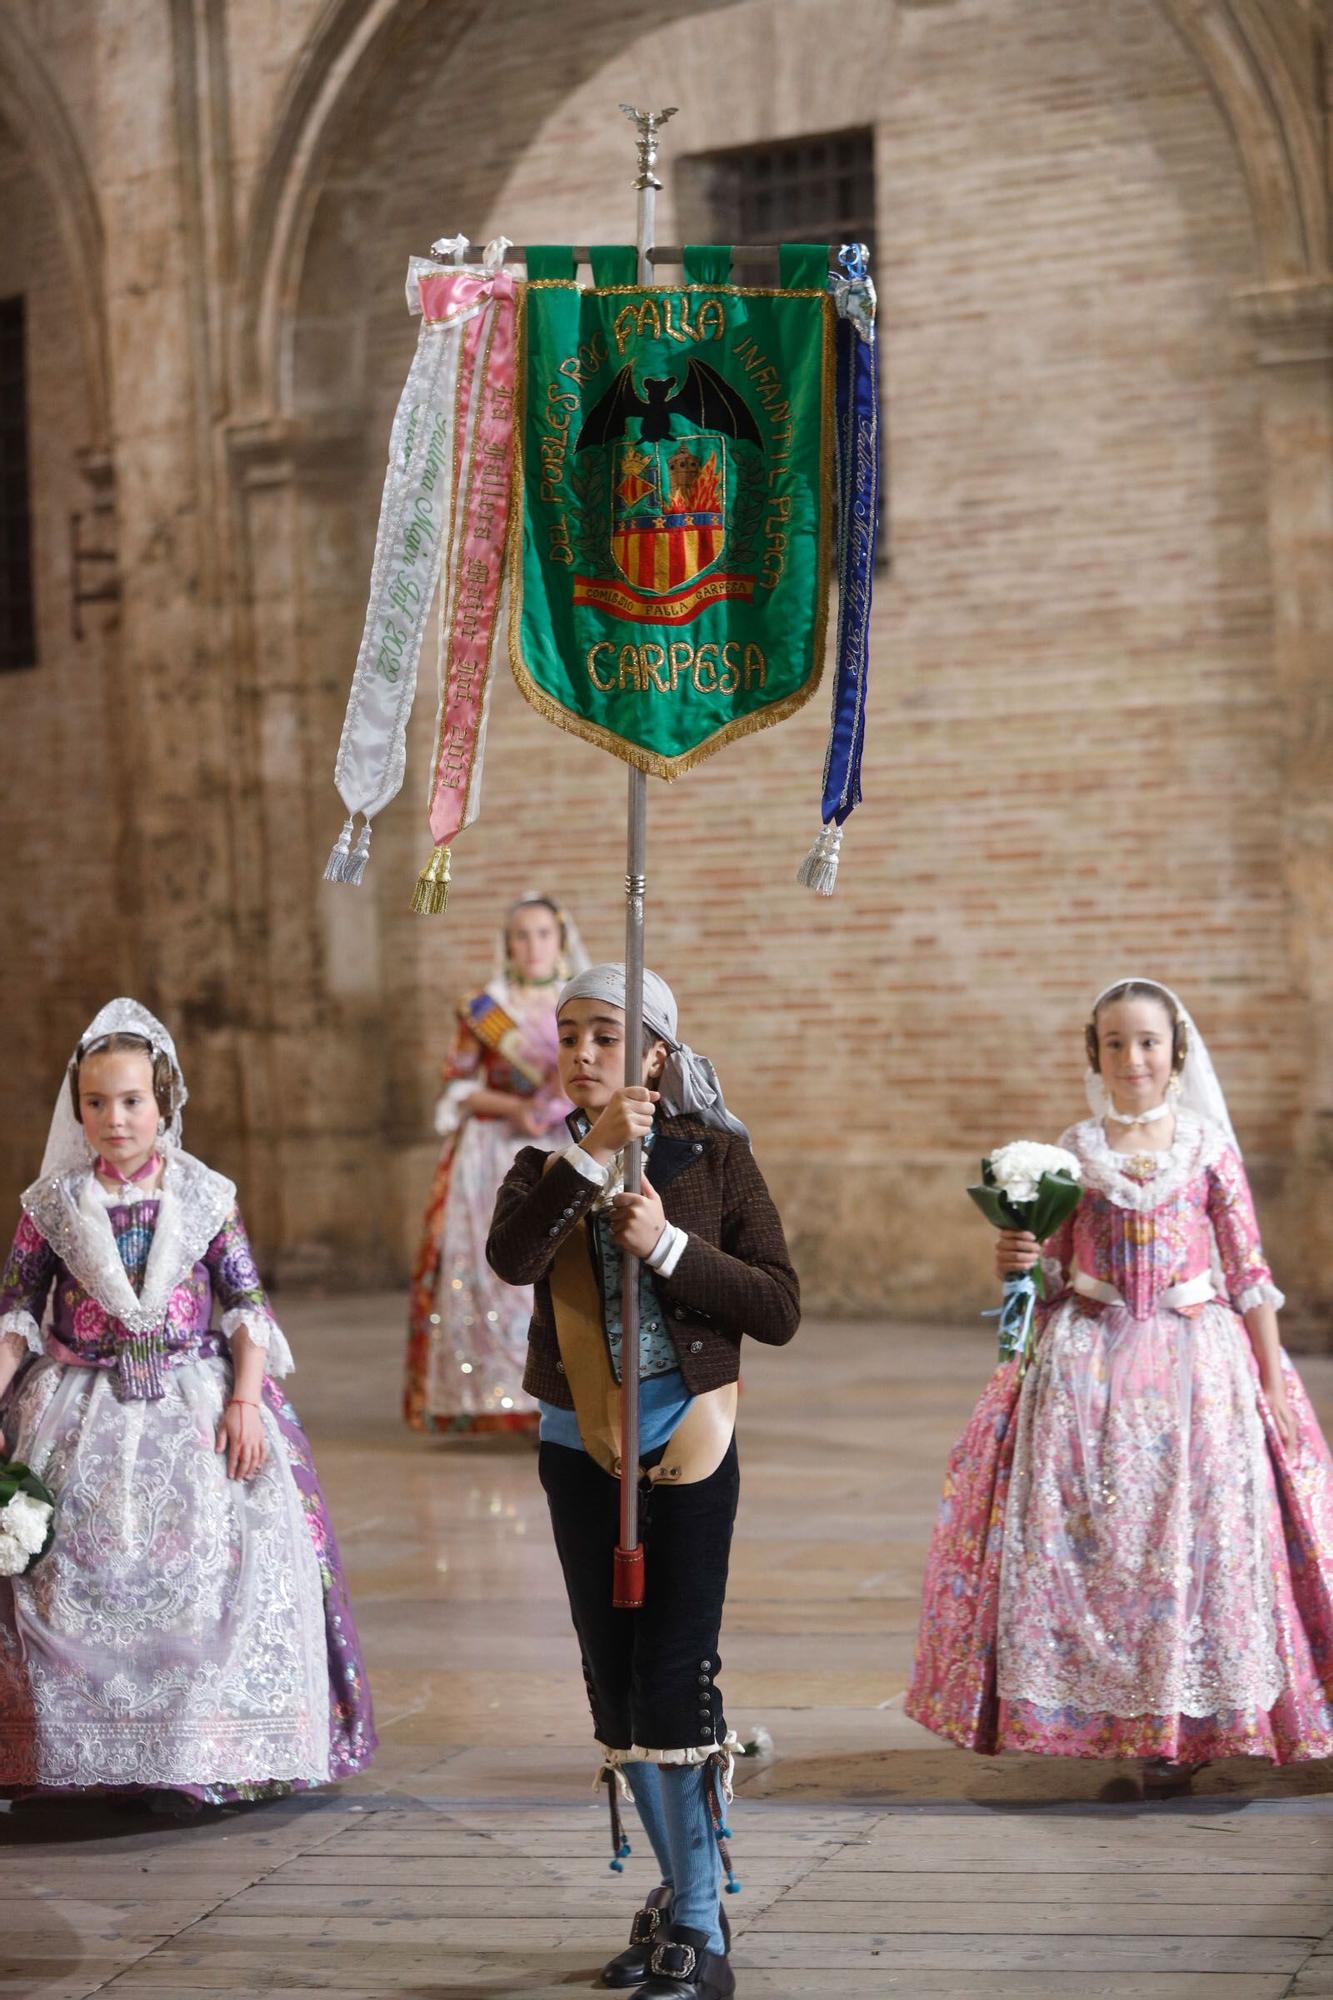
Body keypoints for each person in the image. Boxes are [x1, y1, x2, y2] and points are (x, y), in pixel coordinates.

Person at [906, 976, 1333, 1786]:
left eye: (1146, 1041)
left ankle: (1200, 1719)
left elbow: (1248, 1272)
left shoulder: (1206, 1147)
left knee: (1198, 1541)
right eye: (1114, 1043)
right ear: (1093, 1054)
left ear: (1174, 1051)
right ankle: (1118, 1718)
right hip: (1089, 1365)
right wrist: (1016, 1262)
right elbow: (1054, 1273)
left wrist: (1272, 1383)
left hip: (1196, 1367)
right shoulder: (1075, 1150)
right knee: (1104, 1544)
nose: (1131, 1057)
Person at [488, 964, 799, 2000]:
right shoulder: (541, 1166)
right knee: (613, 1684)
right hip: (580, 1449)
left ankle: (703, 1925)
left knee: (674, 1676)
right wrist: (585, 1156)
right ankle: (674, 1892)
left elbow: (777, 1303)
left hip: (692, 1440)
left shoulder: (715, 1157)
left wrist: (665, 1241)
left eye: (606, 1035)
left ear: (655, 1054)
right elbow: (513, 1257)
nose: (581, 1051)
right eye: (568, 1033)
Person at [0, 998, 376, 1807]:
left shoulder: (205, 1196)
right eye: (95, 1103)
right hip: (77, 1403)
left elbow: (245, 1304)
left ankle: (200, 1748)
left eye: (131, 1100)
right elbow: (16, 1317)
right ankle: (75, 1751)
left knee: (213, 1565)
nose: (113, 1119)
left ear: (163, 1102)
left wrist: (246, 1402)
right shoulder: (52, 1206)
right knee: (70, 1569)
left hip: (191, 1397)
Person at [404, 892, 587, 1433]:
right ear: (507, 945)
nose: (532, 946)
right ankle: (510, 1398)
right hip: (495, 1154)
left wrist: (559, 1103)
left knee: (567, 1267)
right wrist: (519, 1106)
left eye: (542, 934)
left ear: (560, 941)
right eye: (520, 936)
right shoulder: (486, 1007)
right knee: (502, 1272)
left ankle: (573, 1392)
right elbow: (458, 1086)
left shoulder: (580, 1002)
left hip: (568, 1147)